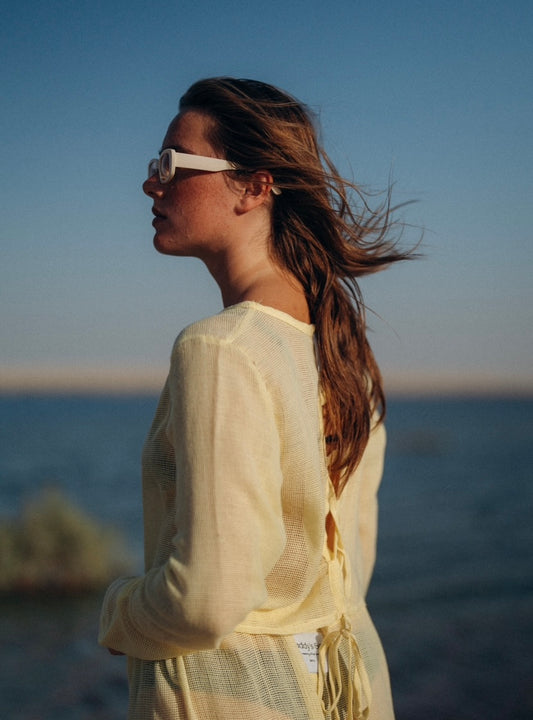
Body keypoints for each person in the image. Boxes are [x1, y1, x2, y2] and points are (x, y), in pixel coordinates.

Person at [99, 77, 412, 720]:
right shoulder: (346, 352)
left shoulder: (220, 349)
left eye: (170, 164)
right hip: (351, 695)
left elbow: (206, 600)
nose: (150, 183)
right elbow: (352, 576)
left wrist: (118, 610)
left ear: (255, 186)